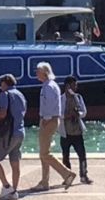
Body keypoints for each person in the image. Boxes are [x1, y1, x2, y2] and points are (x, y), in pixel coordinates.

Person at [31, 62, 77, 190]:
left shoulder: (48, 87)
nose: (36, 73)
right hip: (51, 119)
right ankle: (44, 182)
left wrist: (46, 118)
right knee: (43, 152)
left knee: (45, 153)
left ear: (45, 73)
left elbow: (50, 104)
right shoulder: (50, 85)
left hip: (49, 120)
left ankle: (67, 174)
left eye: (38, 71)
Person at [0, 73, 27, 199]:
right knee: (15, 162)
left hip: (8, 133)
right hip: (20, 131)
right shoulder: (21, 95)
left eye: (1, 84)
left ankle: (6, 187)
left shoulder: (4, 95)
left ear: (5, 83)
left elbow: (2, 113)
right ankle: (14, 190)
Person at [60, 77, 90, 185]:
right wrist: (67, 116)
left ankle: (84, 175)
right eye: (73, 85)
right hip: (66, 132)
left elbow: (84, 112)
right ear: (67, 86)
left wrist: (78, 114)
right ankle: (68, 176)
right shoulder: (61, 99)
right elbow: (58, 114)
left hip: (77, 132)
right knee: (65, 156)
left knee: (82, 155)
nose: (75, 87)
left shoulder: (78, 97)